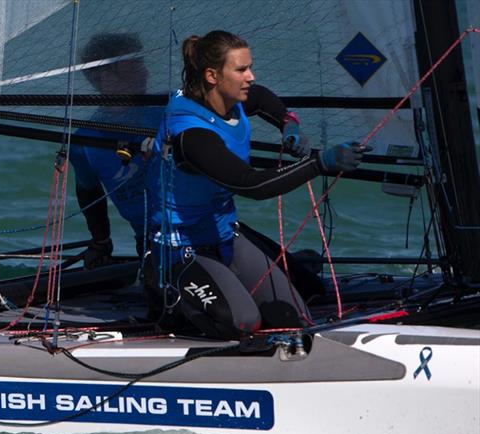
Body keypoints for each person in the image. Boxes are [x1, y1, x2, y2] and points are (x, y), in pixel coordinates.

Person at [145, 30, 367, 339]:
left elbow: (261, 97)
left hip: (224, 235)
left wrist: (287, 122)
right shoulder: (191, 134)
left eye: (249, 67)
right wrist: (320, 163)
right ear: (212, 76)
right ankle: (164, 294)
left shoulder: (227, 99)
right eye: (241, 70)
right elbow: (251, 186)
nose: (250, 76)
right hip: (180, 247)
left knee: (297, 314)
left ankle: (235, 276)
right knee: (242, 323)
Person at [69, 33, 162, 269]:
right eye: (134, 66)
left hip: (199, 229)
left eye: (142, 64)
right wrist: (101, 242)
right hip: (151, 242)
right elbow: (89, 192)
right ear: (105, 78)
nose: (146, 73)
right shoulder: (85, 142)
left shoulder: (168, 111)